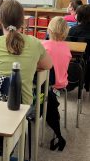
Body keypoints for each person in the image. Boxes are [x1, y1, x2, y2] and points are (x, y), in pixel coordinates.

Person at [0, 0, 52, 105]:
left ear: (0, 20)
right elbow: (48, 65)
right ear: (23, 21)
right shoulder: (35, 43)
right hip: (22, 111)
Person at [41, 17, 70, 151]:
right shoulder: (67, 48)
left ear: (49, 29)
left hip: (48, 85)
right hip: (62, 85)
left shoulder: (44, 45)